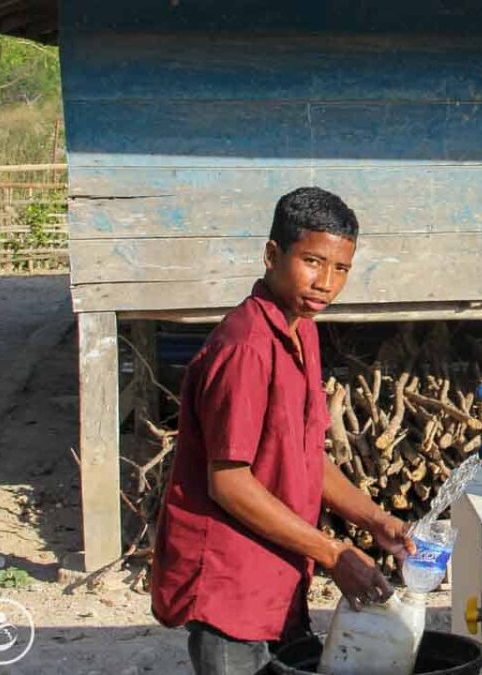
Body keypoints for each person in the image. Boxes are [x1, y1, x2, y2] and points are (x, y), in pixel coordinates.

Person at [151, 187, 415, 672]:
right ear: (273, 254)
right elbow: (228, 482)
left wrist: (376, 520)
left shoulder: (301, 331)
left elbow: (304, 457)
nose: (326, 283)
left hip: (276, 578)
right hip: (230, 589)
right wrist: (333, 553)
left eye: (341, 269)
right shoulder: (247, 346)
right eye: (313, 262)